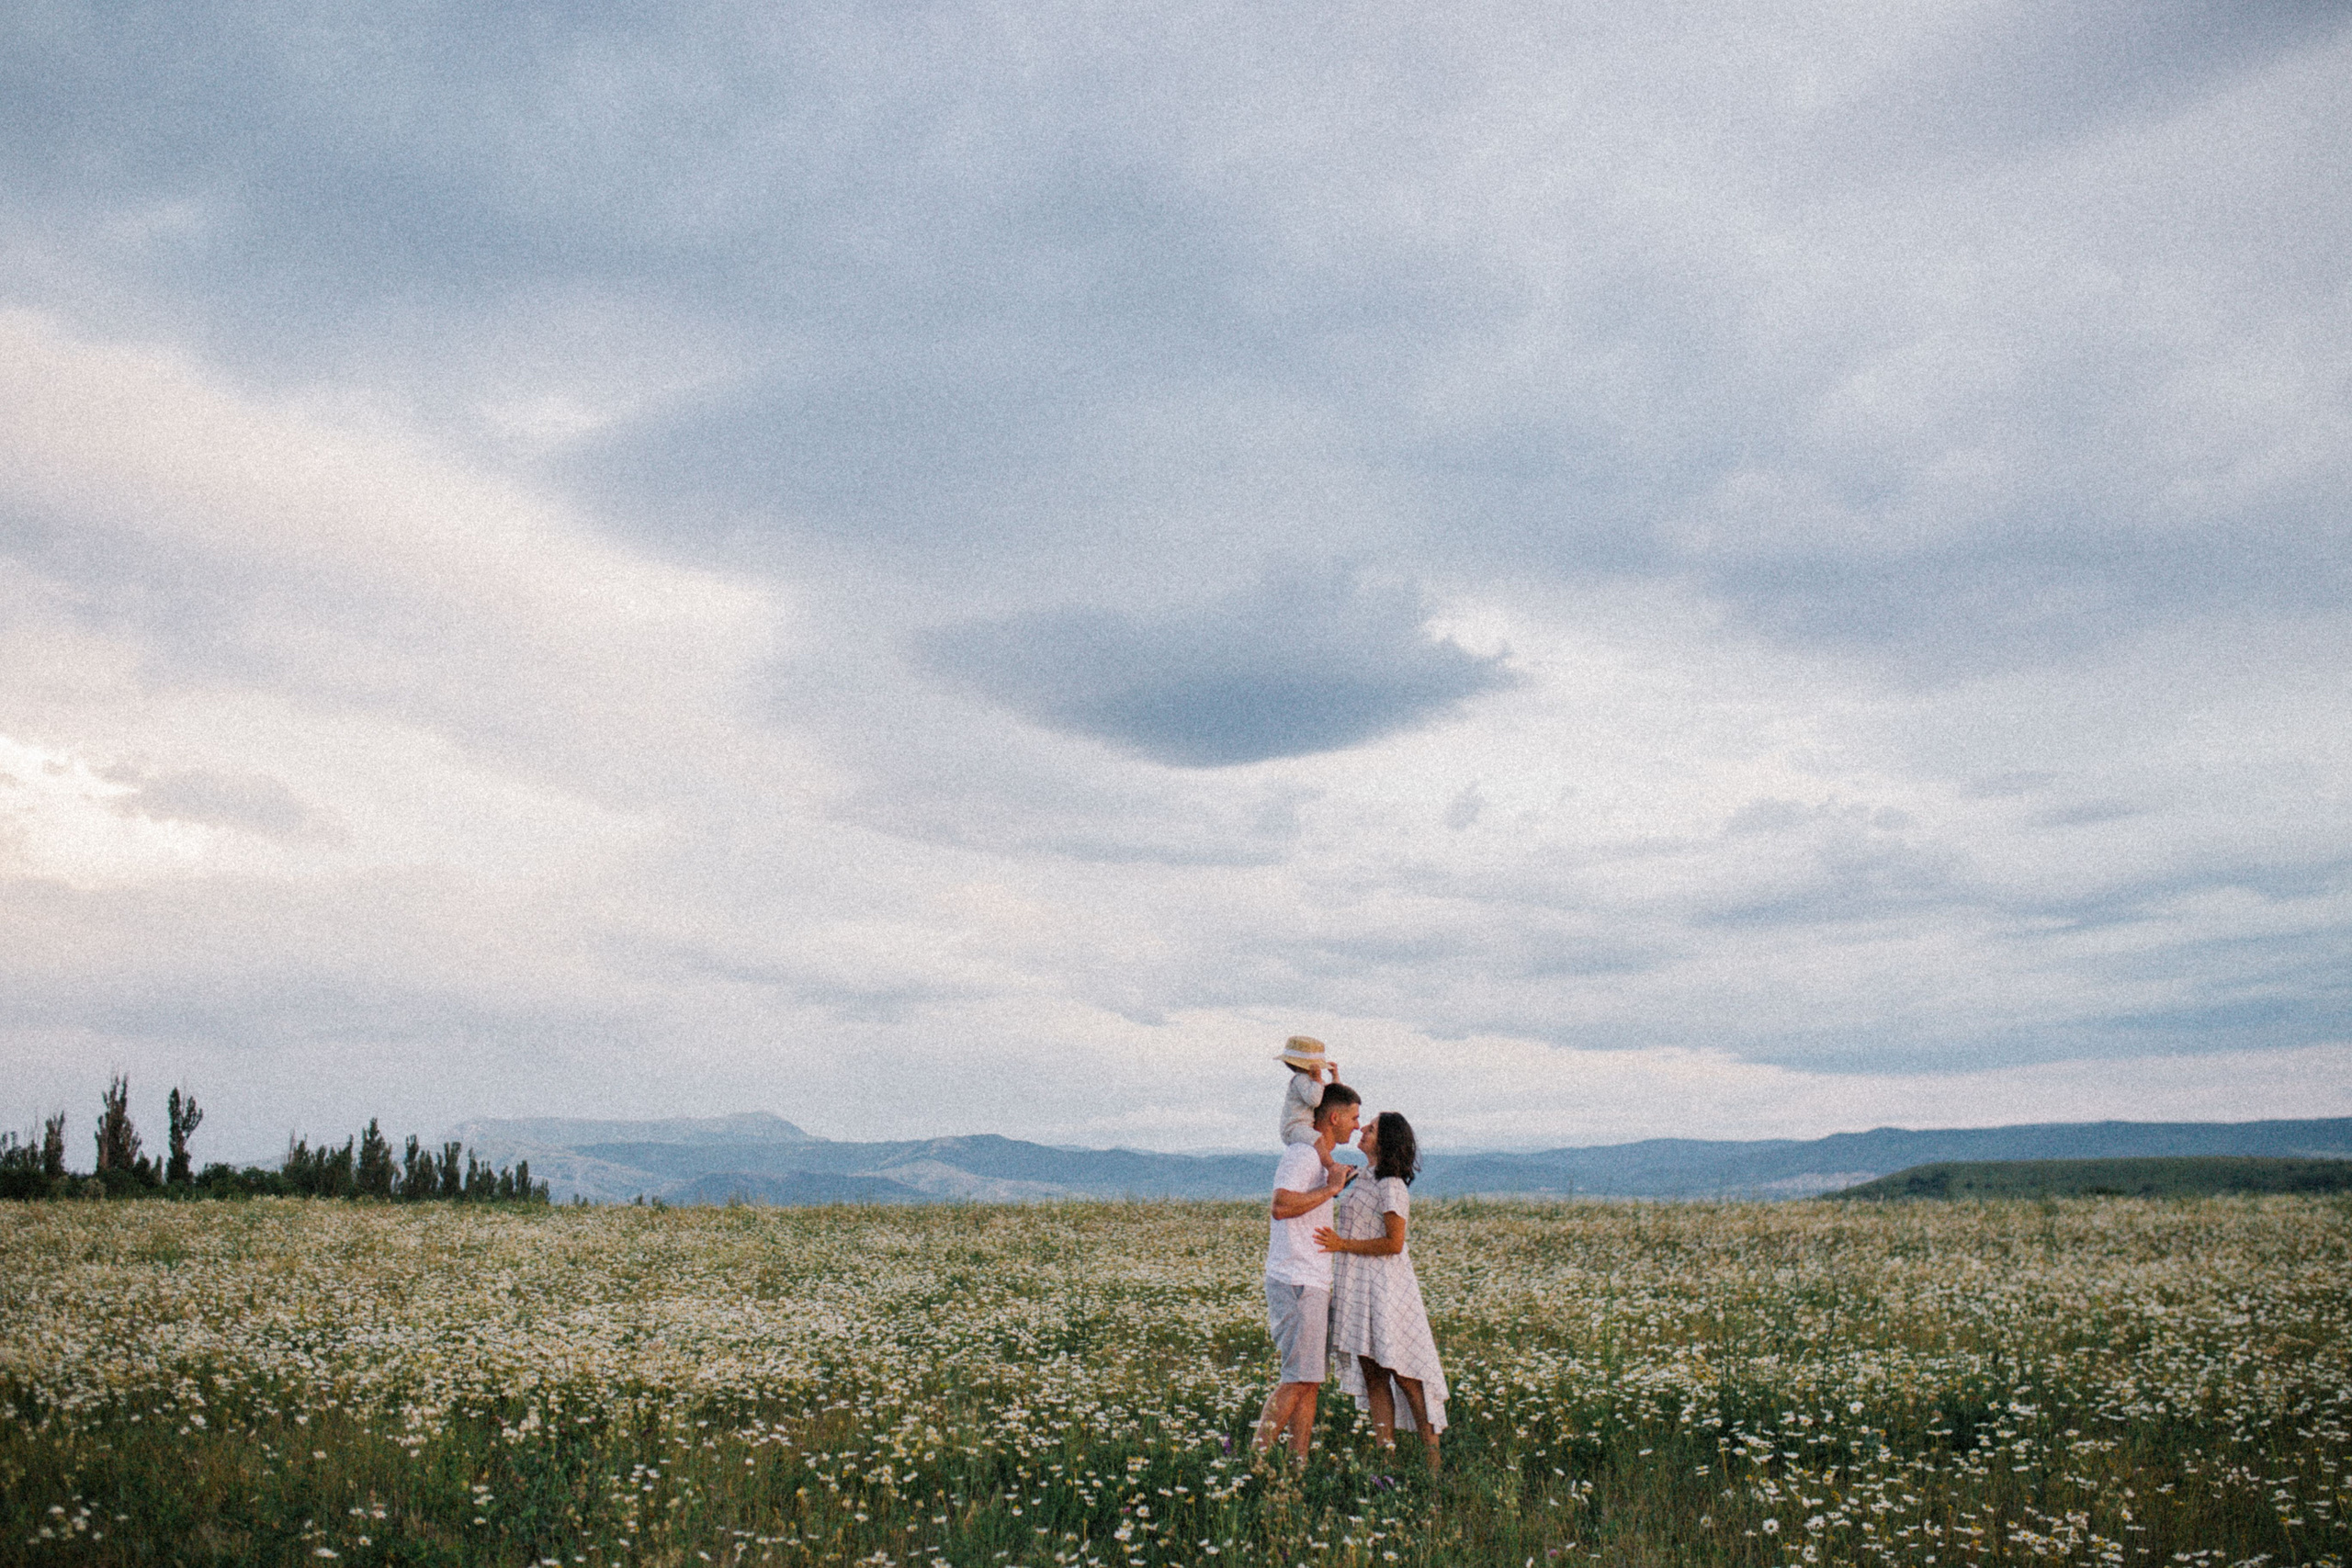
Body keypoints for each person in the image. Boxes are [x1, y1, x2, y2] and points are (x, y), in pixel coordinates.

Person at [1317, 1110, 1448, 1472]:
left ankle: (1433, 1462)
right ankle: (1385, 1460)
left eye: (1371, 1128)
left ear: (1385, 1141)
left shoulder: (1391, 1185)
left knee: (1407, 1375)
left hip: (1387, 1290)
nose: (1362, 1128)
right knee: (1374, 1375)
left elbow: (1394, 1243)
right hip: (1358, 1287)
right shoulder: (1362, 1176)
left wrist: (1342, 1244)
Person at [1252, 1082, 1362, 1462]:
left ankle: (1297, 1468)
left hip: (1310, 1280)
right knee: (1297, 1379)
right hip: (1297, 1280)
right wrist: (1331, 1190)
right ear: (1333, 1118)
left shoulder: (1318, 1157)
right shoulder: (1302, 1155)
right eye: (1353, 1117)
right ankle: (1255, 1462)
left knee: (1310, 1381)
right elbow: (1280, 1206)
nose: (1358, 1125)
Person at [1277, 1036, 1342, 1179]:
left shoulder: (1310, 1081)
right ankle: (1332, 1168)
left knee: (1320, 1142)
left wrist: (1334, 1078)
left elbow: (1330, 1097)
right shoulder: (1300, 1079)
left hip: (1301, 1127)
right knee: (1318, 1139)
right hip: (1294, 1128)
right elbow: (1315, 1100)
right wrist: (1318, 1080)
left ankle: (1327, 1173)